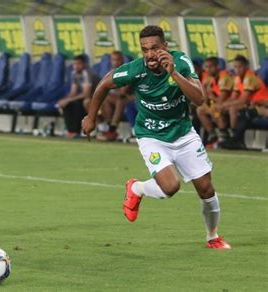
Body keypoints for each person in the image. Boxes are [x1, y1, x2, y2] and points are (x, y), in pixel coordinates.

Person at [82, 25, 231, 249]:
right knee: (170, 187)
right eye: (144, 49)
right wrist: (91, 118)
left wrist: (173, 72)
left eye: (154, 48)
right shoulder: (135, 70)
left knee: (206, 189)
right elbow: (104, 83)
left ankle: (213, 237)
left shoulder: (180, 62)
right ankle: (137, 189)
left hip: (183, 134)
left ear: (165, 47)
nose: (150, 54)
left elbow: (199, 99)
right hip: (151, 135)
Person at [216, 55, 268, 135]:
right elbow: (233, 98)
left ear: (246, 66)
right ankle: (222, 134)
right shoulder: (238, 78)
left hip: (262, 104)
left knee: (233, 108)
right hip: (251, 103)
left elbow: (242, 100)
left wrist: (223, 105)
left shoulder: (250, 76)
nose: (237, 70)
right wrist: (223, 105)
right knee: (219, 108)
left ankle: (235, 134)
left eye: (240, 67)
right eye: (235, 67)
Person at [57, 54, 99, 138]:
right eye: (74, 64)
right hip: (85, 97)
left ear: (84, 64)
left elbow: (86, 94)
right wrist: (65, 100)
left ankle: (76, 130)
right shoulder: (74, 73)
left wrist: (69, 100)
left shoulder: (87, 73)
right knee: (67, 105)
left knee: (78, 104)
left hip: (95, 98)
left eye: (78, 64)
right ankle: (71, 131)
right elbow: (73, 92)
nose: (76, 66)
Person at [196, 56, 234, 144]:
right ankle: (212, 134)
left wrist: (211, 94)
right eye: (206, 67)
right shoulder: (209, 78)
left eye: (210, 67)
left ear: (217, 67)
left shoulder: (224, 77)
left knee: (215, 109)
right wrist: (204, 88)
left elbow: (221, 100)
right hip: (216, 104)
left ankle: (223, 135)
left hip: (228, 103)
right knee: (200, 110)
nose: (208, 69)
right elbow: (204, 100)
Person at [96, 51, 131, 141]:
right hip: (115, 97)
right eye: (113, 60)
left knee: (120, 100)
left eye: (118, 60)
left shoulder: (127, 70)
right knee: (105, 98)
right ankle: (108, 127)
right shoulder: (110, 72)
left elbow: (123, 92)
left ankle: (112, 129)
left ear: (122, 60)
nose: (115, 62)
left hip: (130, 98)